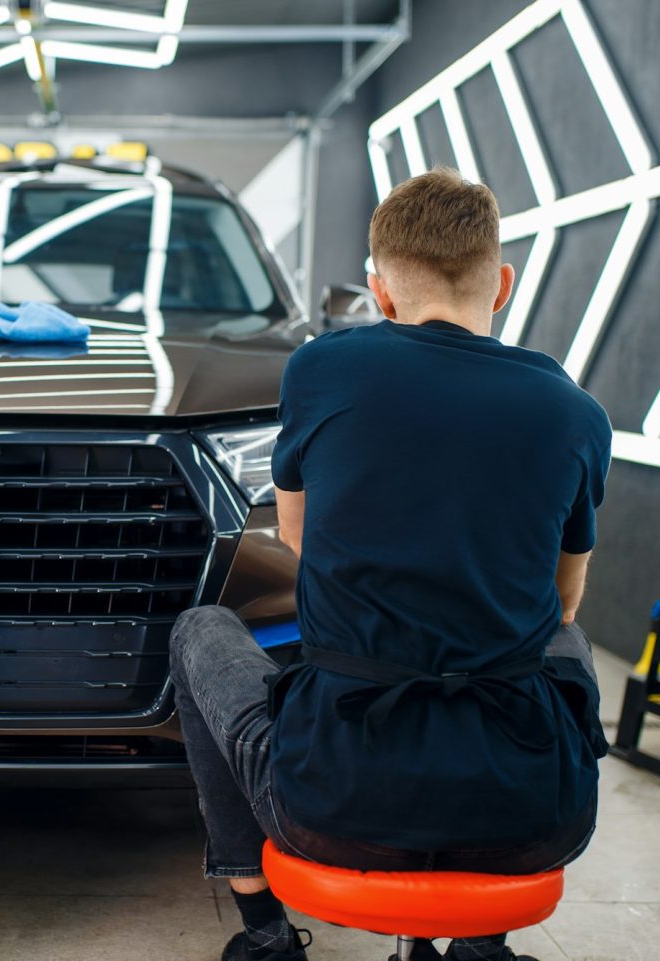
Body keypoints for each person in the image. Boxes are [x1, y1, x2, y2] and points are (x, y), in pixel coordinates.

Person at [170, 167, 612, 961]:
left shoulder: (323, 369)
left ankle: (265, 934)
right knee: (566, 646)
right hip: (532, 816)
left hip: (332, 799)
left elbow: (304, 541)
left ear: (380, 292)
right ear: (502, 284)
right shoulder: (576, 414)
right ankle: (481, 946)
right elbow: (564, 603)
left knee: (202, 626)